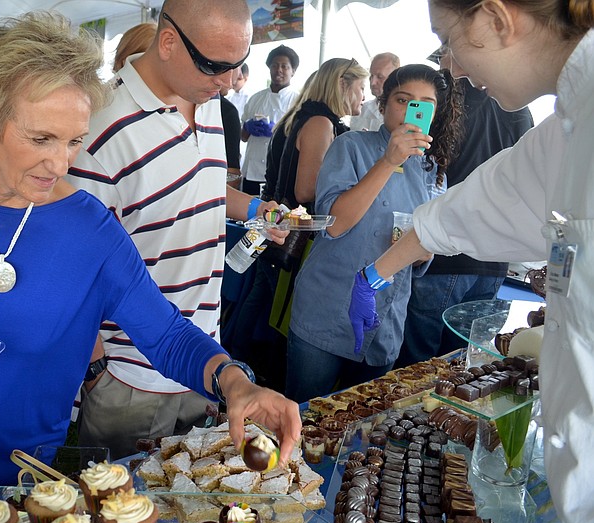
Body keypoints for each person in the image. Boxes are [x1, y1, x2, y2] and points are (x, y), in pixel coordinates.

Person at [0, 11, 300, 503]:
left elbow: (167, 333)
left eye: (73, 140)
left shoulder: (89, 228)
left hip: (20, 471)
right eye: (40, 138)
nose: (60, 163)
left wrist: (235, 383)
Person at [347, 2, 594, 523]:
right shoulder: (566, 129)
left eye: (447, 38)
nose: (451, 65)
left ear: (496, 19)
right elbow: (474, 206)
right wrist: (377, 272)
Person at [67, 0, 288, 460]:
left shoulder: (207, 101)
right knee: (121, 518)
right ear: (168, 42)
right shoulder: (99, 128)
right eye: (216, 66)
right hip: (131, 375)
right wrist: (96, 370)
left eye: (239, 66)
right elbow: (76, 268)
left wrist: (253, 208)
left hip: (207, 354)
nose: (228, 82)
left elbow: (199, 180)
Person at [285, 64, 462, 403]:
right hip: (327, 309)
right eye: (402, 100)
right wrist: (387, 161)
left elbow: (427, 249)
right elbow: (335, 223)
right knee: (304, 417)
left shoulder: (433, 171)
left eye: (425, 104)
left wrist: (422, 248)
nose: (412, 111)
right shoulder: (350, 146)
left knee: (361, 429)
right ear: (382, 105)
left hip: (385, 323)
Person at [227, 58, 369, 392]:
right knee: (276, 309)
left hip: (275, 222)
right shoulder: (321, 122)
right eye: (360, 87)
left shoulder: (300, 114)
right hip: (288, 230)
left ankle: (238, 366)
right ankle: (252, 374)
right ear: (343, 85)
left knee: (259, 299)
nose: (363, 96)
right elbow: (307, 189)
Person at [395, 49, 534, 367]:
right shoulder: (515, 104)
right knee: (468, 366)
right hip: (494, 256)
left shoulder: (441, 100)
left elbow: (411, 163)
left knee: (417, 367)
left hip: (441, 251)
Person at [240, 45, 299, 196]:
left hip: (279, 173)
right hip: (251, 172)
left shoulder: (298, 101)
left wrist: (277, 131)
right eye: (274, 65)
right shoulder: (256, 98)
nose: (279, 70)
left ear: (293, 71)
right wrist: (247, 127)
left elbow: (300, 140)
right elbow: (243, 137)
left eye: (284, 66)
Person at [348, 52, 399, 132]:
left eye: (380, 77)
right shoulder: (362, 110)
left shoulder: (405, 112)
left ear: (395, 78)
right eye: (371, 76)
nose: (373, 82)